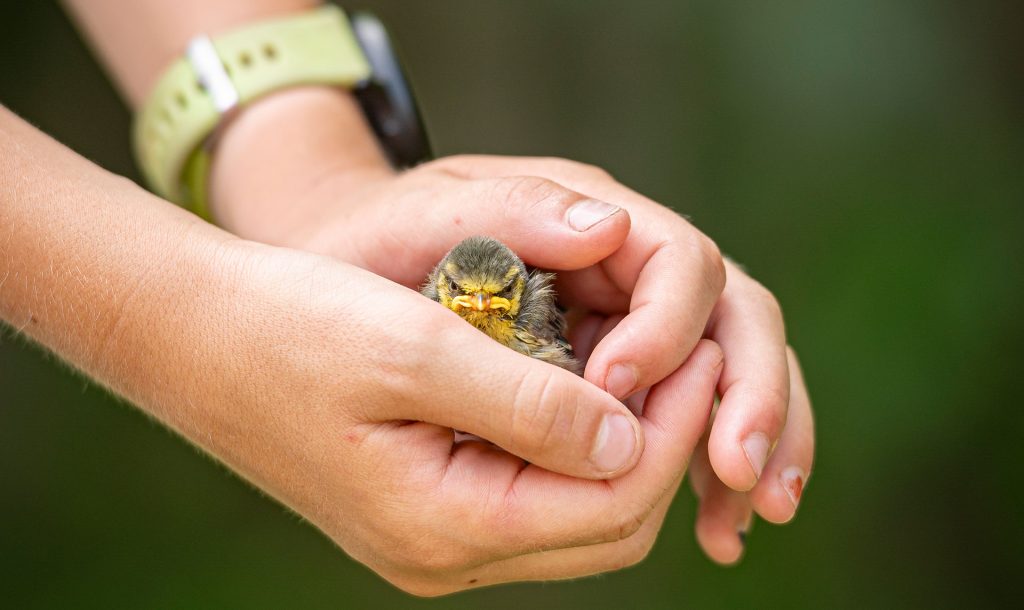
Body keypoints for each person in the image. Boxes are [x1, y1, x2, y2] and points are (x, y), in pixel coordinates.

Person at [0, 0, 814, 596]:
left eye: (503, 300)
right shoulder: (437, 313)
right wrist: (169, 321)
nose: (485, 313)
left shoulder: (526, 312)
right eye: (468, 298)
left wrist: (309, 184)